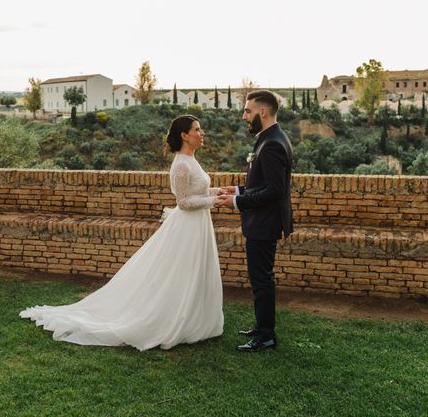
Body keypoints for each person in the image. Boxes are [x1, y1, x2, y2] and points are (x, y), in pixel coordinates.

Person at [20, 115, 227, 351]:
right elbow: (183, 202)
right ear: (184, 135)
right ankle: (172, 318)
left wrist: (220, 191)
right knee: (179, 274)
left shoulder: (191, 160)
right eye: (197, 130)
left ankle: (194, 319)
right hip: (188, 226)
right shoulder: (180, 163)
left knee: (194, 272)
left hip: (198, 224)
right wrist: (215, 201)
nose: (202, 134)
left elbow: (197, 190)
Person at [218, 90, 293, 352]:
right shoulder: (268, 138)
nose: (244, 116)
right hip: (262, 221)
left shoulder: (272, 143)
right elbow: (260, 183)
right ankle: (263, 328)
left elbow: (274, 191)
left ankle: (265, 337)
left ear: (263, 112)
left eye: (247, 111)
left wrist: (237, 203)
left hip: (264, 223)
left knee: (261, 280)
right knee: (260, 279)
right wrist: (237, 190)